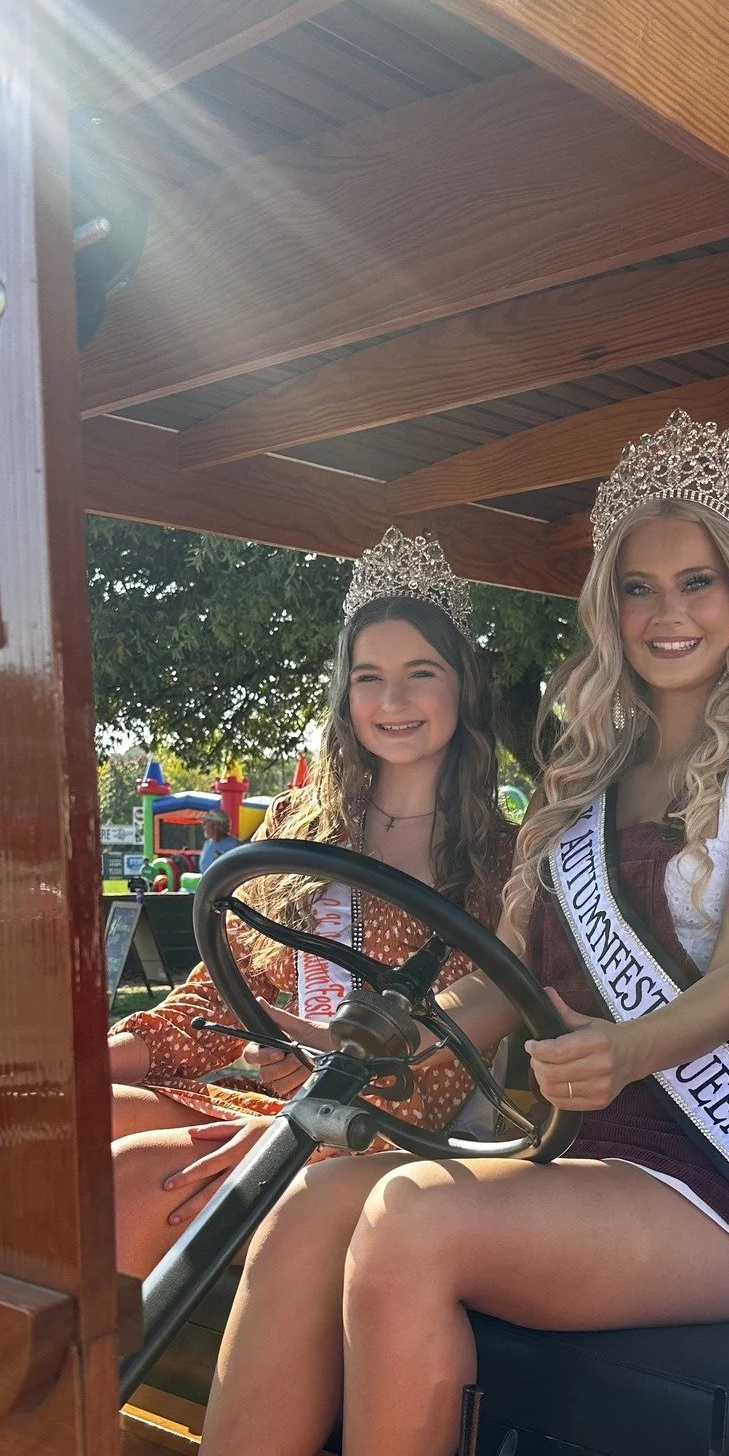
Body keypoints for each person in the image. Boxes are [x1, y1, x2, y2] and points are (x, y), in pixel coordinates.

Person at [124, 410, 729, 1456]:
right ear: (614, 608)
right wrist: (369, 1066)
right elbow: (487, 982)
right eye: (641, 587)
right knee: (323, 1189)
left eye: (698, 583)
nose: (670, 613)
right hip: (592, 1157)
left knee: (412, 1227)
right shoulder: (582, 783)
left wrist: (631, 1043)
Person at [108, 529, 516, 1280]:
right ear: (345, 695)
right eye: (369, 677)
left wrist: (306, 1120)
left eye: (420, 672)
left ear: (463, 685)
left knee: (135, 1175)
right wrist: (77, 1067)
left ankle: (95, 1393)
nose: (391, 700)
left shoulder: (506, 860)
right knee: (69, 1119)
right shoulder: (298, 828)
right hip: (279, 1103)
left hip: (391, 1131)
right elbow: (214, 1003)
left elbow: (453, 1063)